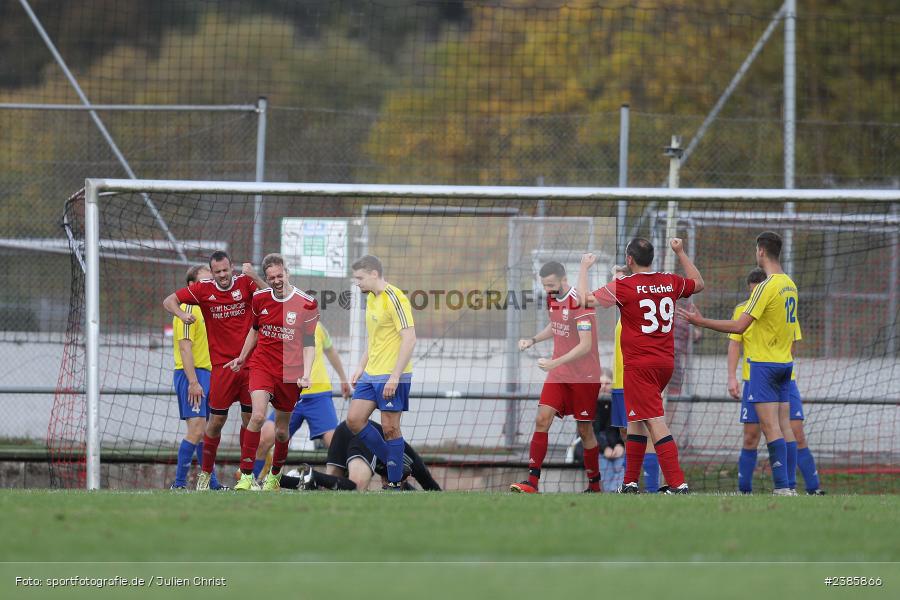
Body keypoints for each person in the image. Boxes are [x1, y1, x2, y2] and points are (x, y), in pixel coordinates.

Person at [678, 231, 801, 496]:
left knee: (770, 428)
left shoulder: (765, 287)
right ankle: (790, 485)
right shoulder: (790, 284)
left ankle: (782, 488)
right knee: (784, 426)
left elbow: (738, 326)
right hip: (785, 365)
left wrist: (701, 322)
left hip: (763, 366)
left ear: (760, 252)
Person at [579, 237, 704, 494]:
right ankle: (630, 482)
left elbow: (584, 300)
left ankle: (678, 484)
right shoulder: (669, 280)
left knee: (655, 421)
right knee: (636, 420)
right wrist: (680, 252)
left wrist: (583, 268)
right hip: (665, 363)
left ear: (629, 259)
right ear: (653, 258)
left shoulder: (625, 285)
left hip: (640, 365)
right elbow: (699, 283)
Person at [163, 251, 266, 490]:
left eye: (225, 270)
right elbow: (169, 301)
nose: (222, 275)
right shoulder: (201, 293)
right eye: (217, 271)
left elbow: (269, 295)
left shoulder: (245, 282)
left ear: (232, 267)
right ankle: (205, 475)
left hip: (250, 364)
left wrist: (255, 276)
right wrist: (181, 313)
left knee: (251, 418)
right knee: (215, 421)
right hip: (220, 368)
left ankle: (246, 477)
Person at [225, 254, 319, 491]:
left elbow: (309, 344)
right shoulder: (260, 298)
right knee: (257, 416)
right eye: (271, 277)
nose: (276, 281)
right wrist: (242, 357)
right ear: (265, 278)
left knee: (280, 430)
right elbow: (255, 331)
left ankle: (275, 475)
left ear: (287, 273)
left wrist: (306, 374)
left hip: (291, 371)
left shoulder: (307, 303)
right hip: (262, 365)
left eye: (279, 275)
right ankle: (246, 476)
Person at [728, 267, 824, 495]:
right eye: (751, 294)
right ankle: (745, 490)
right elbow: (735, 342)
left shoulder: (780, 306)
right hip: (754, 379)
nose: (754, 298)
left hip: (782, 378)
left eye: (757, 294)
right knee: (751, 436)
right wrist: (732, 376)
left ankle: (806, 488)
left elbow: (792, 340)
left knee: (794, 431)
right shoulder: (742, 310)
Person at [510, 261, 603, 493]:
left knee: (585, 431)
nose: (547, 289)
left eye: (551, 284)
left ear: (563, 279)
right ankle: (532, 483)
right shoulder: (553, 298)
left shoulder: (579, 302)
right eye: (544, 285)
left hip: (584, 377)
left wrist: (554, 361)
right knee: (542, 419)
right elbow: (556, 325)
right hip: (559, 373)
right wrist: (532, 340)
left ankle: (595, 485)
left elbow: (585, 345)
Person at [345, 255, 417, 490]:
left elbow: (410, 338)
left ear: (374, 274)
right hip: (371, 373)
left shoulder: (395, 297)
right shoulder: (372, 300)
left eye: (360, 278)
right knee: (354, 420)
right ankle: (396, 464)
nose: (357, 283)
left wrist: (395, 376)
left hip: (392, 374)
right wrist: (360, 366)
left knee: (390, 428)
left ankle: (394, 482)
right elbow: (374, 339)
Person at [252, 322, 350, 481]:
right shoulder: (277, 327)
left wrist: (343, 379)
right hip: (290, 394)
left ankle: (343, 482)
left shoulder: (318, 327)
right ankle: (251, 481)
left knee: (335, 443)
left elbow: (330, 350)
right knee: (264, 439)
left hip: (318, 395)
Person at [169, 265, 224, 490]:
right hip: (191, 374)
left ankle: (211, 484)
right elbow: (184, 348)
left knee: (205, 431)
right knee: (197, 429)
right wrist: (193, 382)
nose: (210, 285)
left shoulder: (206, 308)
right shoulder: (186, 308)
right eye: (204, 282)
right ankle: (179, 484)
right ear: (192, 286)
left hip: (207, 373)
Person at [280, 420, 441, 492]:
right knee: (356, 487)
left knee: (331, 489)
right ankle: (310, 474)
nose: (385, 485)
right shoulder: (410, 462)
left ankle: (282, 479)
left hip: (343, 430)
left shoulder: (392, 470)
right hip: (362, 435)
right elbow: (430, 486)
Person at [610, 265, 659, 493]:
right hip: (619, 382)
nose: (616, 286)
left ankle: (650, 487)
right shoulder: (621, 315)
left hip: (636, 380)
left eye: (620, 281)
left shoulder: (637, 310)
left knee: (644, 431)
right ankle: (630, 484)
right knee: (626, 433)